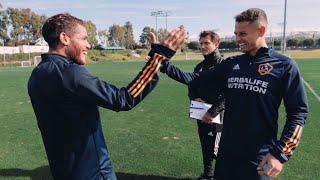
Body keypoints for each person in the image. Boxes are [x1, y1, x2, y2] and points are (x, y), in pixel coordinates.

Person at [27, 13, 185, 180]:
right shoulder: (71, 73)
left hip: (62, 171)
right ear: (65, 38)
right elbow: (123, 99)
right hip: (93, 172)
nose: (89, 45)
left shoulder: (36, 74)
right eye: (84, 39)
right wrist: (159, 57)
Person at [186, 8, 308, 179]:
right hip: (227, 154)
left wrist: (280, 154)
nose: (237, 39)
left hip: (259, 158)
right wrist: (162, 60)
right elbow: (195, 79)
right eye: (236, 33)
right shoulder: (232, 63)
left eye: (242, 34)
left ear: (261, 31)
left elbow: (298, 113)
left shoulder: (284, 65)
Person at [150, 30, 225, 180]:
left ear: (216, 44)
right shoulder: (199, 67)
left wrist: (213, 111)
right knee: (205, 145)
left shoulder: (223, 66)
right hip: (201, 114)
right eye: (201, 43)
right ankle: (208, 175)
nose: (202, 46)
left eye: (206, 43)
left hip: (218, 117)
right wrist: (195, 98)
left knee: (219, 150)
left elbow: (227, 94)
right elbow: (191, 85)